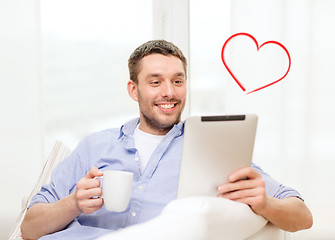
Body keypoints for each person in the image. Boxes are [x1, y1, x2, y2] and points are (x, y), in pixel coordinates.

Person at [21, 40, 313, 240]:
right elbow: (30, 227)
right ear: (133, 90)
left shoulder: (211, 147)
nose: (169, 92)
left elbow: (302, 216)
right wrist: (73, 203)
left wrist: (263, 203)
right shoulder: (94, 146)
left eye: (177, 80)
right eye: (155, 81)